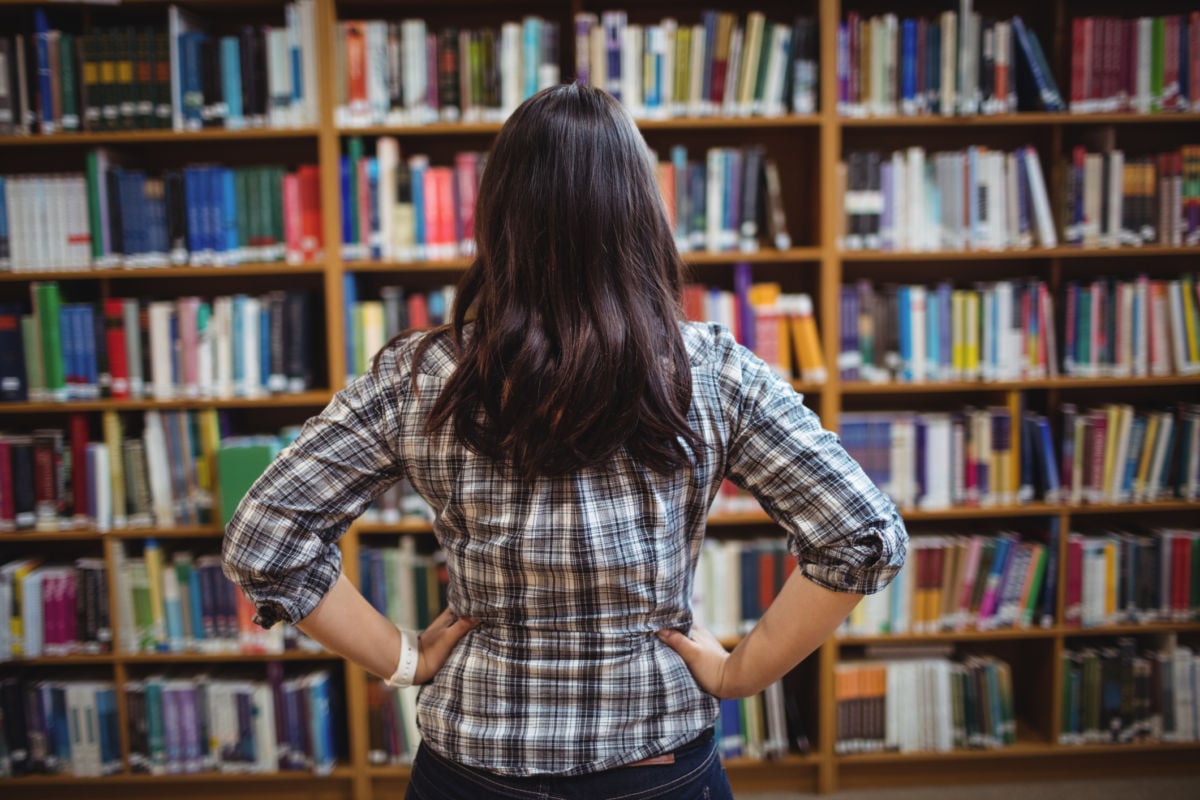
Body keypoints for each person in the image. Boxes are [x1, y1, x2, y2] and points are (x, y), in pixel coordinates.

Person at [222, 82, 907, 800]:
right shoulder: (712, 372)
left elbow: (265, 539)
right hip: (658, 762)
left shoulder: (422, 377)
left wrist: (402, 658)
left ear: (499, 216)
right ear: (643, 214)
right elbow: (860, 535)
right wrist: (744, 673)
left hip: (475, 766)